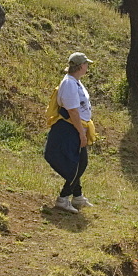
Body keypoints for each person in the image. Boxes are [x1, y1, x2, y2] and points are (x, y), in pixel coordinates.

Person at [45, 51, 96, 213]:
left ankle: (78, 195)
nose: (88, 67)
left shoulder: (75, 82)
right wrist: (81, 133)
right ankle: (63, 198)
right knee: (80, 164)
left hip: (75, 127)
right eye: (86, 64)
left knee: (79, 160)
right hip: (69, 128)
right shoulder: (69, 83)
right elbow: (73, 111)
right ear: (81, 66)